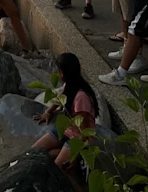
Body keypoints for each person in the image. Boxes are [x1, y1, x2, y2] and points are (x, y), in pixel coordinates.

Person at [33, 52, 99, 192]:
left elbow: (84, 131)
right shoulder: (70, 85)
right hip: (66, 129)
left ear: (62, 72)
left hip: (77, 137)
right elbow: (61, 98)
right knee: (35, 153)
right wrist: (48, 112)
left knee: (58, 170)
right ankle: (59, 153)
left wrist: (74, 155)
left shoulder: (81, 97)